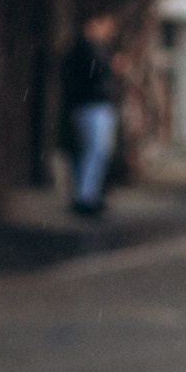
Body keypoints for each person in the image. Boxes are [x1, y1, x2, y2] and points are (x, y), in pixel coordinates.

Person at [59, 12, 123, 218]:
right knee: (95, 151)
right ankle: (86, 198)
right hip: (92, 105)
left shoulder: (89, 50)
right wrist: (110, 67)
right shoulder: (87, 50)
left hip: (90, 105)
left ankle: (88, 195)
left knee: (94, 152)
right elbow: (91, 77)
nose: (109, 31)